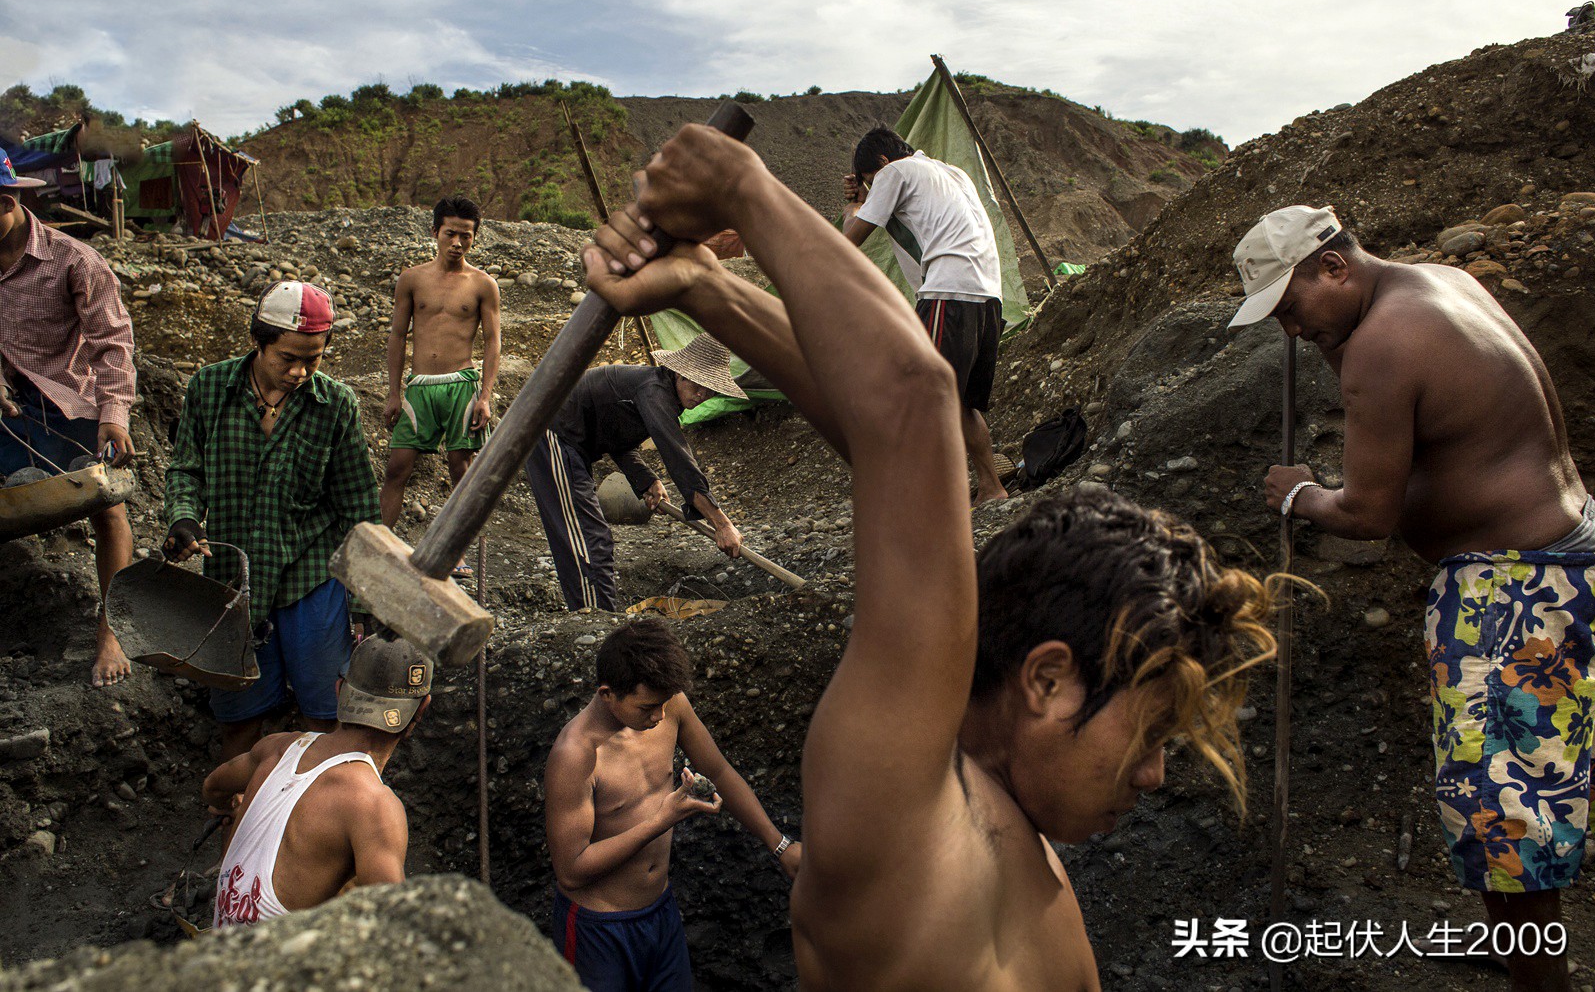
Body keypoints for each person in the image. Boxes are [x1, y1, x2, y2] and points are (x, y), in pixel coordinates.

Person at [581, 122, 1278, 990]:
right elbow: (912, 404)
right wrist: (742, 189)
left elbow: (904, 459)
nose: (1154, 772)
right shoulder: (905, 825)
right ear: (1047, 678)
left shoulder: (1006, 830)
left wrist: (709, 287)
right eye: (1148, 730)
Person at [1235, 205, 1595, 991]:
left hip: (1514, 591)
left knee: (1510, 810)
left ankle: (1545, 981)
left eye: (1291, 309)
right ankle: (1512, 950)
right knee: (1496, 795)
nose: (1292, 333)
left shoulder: (1382, 345)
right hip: (1558, 558)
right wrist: (1329, 338)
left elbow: (1368, 512)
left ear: (1333, 266)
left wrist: (1300, 496)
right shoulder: (1441, 285)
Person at [164, 281, 380, 761]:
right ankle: (238, 817)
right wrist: (183, 518)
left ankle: (314, 821)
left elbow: (359, 511)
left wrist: (366, 601)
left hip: (311, 577)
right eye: (287, 358)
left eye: (314, 359)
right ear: (257, 342)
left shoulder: (336, 406)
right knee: (239, 719)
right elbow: (186, 468)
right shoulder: (209, 389)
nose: (300, 372)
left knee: (325, 717)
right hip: (232, 583)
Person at [544, 618, 799, 990]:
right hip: (598, 930)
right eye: (646, 707)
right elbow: (571, 870)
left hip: (660, 915)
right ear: (607, 694)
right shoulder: (576, 755)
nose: (659, 717)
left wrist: (779, 845)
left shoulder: (670, 706)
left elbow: (720, 770)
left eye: (663, 704)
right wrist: (662, 818)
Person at [0, 146, 136, 687]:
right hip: (12, 408)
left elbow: (113, 342)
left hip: (72, 402)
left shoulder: (74, 260)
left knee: (107, 507)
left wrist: (115, 414)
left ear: (8, 200)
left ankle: (113, 631)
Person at [202, 634, 430, 929]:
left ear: (339, 691)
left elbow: (213, 787)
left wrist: (227, 806)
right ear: (422, 708)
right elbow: (397, 928)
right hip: (278, 970)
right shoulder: (374, 805)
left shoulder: (277, 748)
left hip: (220, 952)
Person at [842, 126, 1008, 503]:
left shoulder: (893, 172)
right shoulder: (952, 173)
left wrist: (853, 203)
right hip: (988, 295)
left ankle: (931, 504)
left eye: (870, 178)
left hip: (948, 290)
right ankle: (991, 487)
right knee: (959, 401)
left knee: (921, 397)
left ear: (882, 162)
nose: (873, 185)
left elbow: (848, 240)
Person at [525, 332, 745, 612]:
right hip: (551, 434)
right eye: (698, 385)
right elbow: (680, 461)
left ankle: (597, 616)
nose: (703, 395)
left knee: (592, 540)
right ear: (680, 374)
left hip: (571, 444)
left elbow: (617, 439)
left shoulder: (655, 390)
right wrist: (722, 523)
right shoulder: (654, 390)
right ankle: (595, 621)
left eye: (710, 390)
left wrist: (646, 480)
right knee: (588, 539)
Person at [380, 196, 501, 576]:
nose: (458, 243)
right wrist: (393, 391)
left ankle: (455, 551)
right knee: (398, 466)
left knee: (459, 466)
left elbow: (493, 341)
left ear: (474, 238)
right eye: (450, 233)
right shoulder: (412, 279)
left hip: (461, 386)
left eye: (466, 236)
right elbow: (398, 336)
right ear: (435, 232)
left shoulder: (483, 284)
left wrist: (485, 396)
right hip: (419, 387)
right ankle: (380, 543)